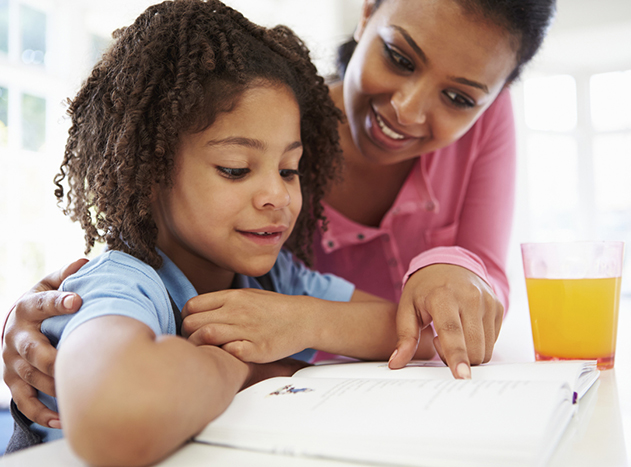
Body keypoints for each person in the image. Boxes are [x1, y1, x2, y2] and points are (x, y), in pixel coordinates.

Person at [3, 0, 557, 429]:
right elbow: (114, 416)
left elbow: (436, 331)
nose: (277, 196)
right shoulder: (132, 285)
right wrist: (240, 365)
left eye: (292, 171)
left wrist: (296, 327)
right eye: (237, 169)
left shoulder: (278, 282)